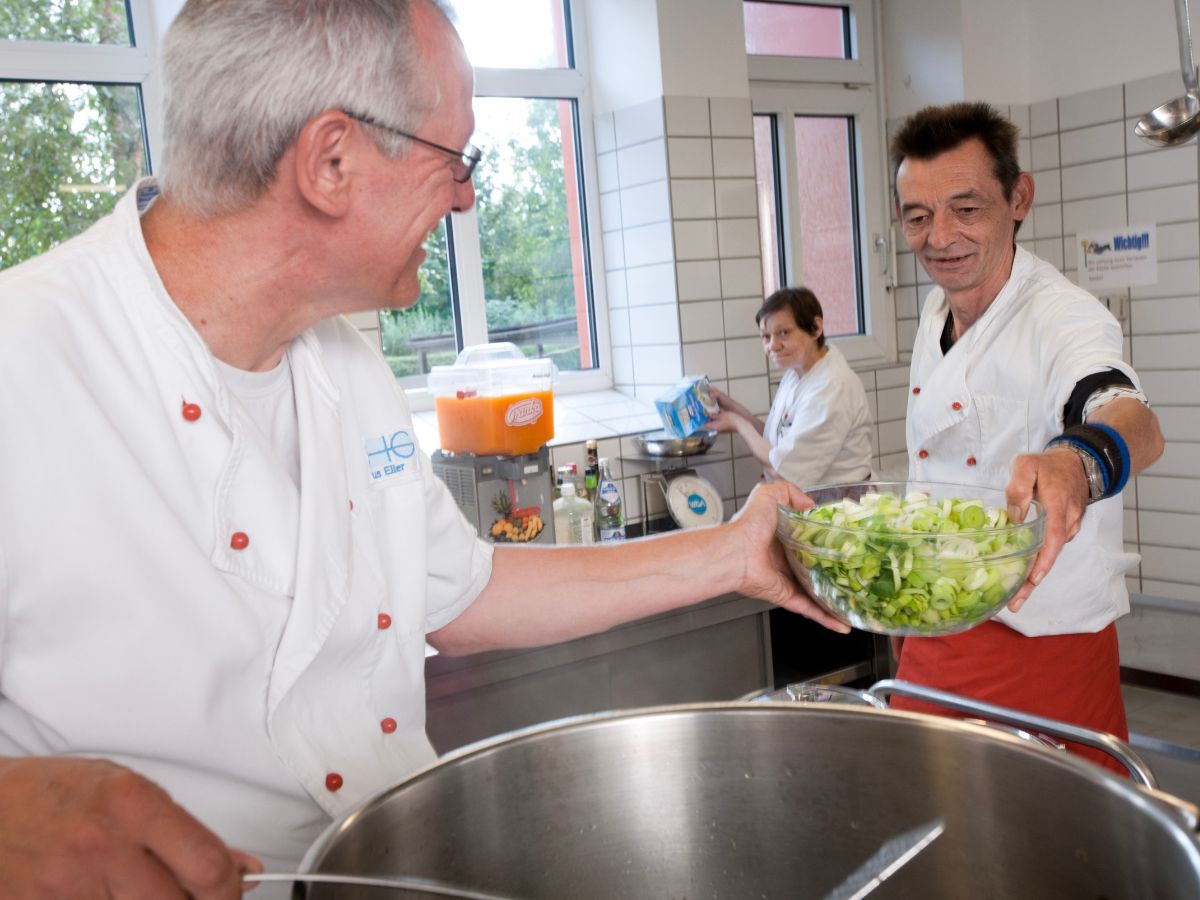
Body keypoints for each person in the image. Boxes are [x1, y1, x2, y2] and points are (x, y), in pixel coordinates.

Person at [0, 1, 848, 897]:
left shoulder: (343, 361)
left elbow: (458, 589)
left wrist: (729, 553)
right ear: (331, 162)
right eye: (456, 159)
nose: (466, 196)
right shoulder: (25, 362)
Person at [886, 101, 1165, 772]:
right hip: (936, 623)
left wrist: (1076, 463)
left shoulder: (1064, 316)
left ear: (1019, 199)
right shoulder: (935, 309)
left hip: (1041, 641)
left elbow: (1132, 418)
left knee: (1059, 828)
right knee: (921, 806)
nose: (940, 237)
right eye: (917, 217)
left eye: (966, 208)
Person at [707, 287, 874, 489]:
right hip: (810, 498)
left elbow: (785, 471)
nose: (773, 346)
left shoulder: (831, 386)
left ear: (816, 328)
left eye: (783, 333)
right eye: (766, 337)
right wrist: (731, 408)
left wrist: (738, 424)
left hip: (841, 502)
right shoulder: (796, 372)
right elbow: (777, 440)